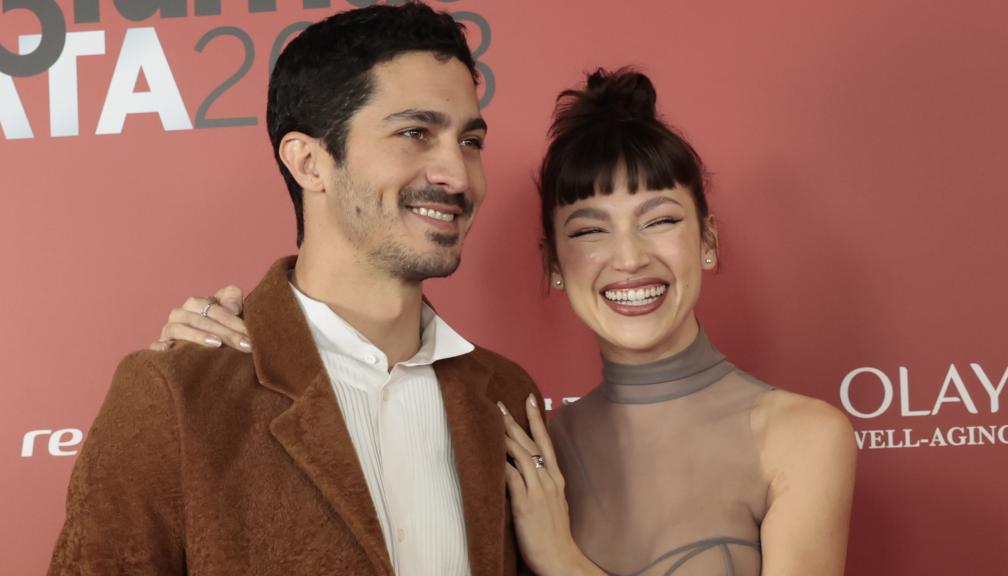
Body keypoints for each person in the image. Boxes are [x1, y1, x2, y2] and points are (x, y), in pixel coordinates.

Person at [160, 68, 858, 575]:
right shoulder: (524, 439)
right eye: (589, 231)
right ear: (552, 264)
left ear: (707, 240)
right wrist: (194, 366)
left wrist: (559, 558)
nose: (630, 259)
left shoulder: (800, 437)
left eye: (663, 221)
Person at [48, 4, 541, 575]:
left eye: (470, 141)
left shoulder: (507, 396)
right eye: (415, 133)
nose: (459, 175)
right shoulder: (176, 394)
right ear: (309, 162)